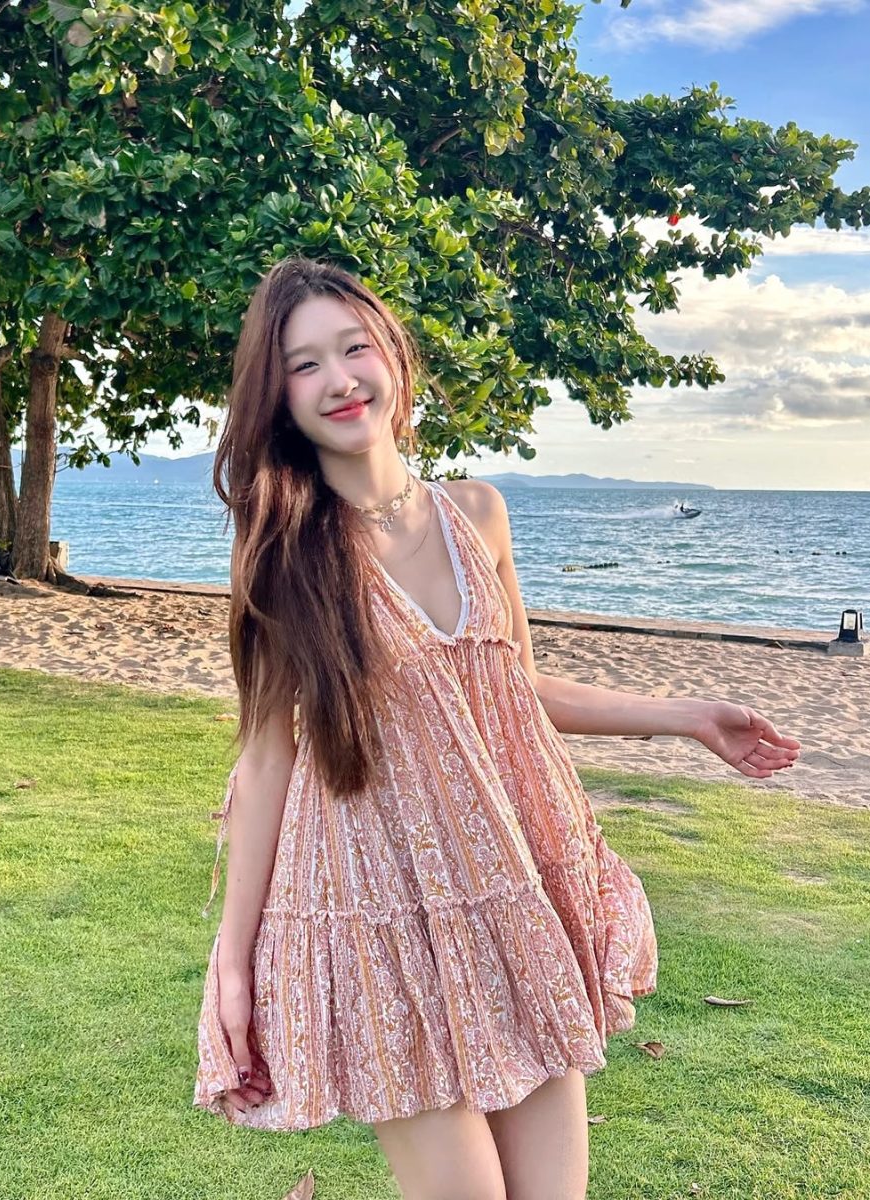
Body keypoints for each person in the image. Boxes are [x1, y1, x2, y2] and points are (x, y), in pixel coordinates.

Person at [193, 255, 801, 1200]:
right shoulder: (283, 549)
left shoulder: (477, 511)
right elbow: (267, 758)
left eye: (354, 349)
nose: (339, 379)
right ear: (279, 397)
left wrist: (685, 717)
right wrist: (232, 959)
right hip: (375, 911)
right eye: (304, 365)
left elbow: (512, 689)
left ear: (394, 357)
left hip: (508, 886)